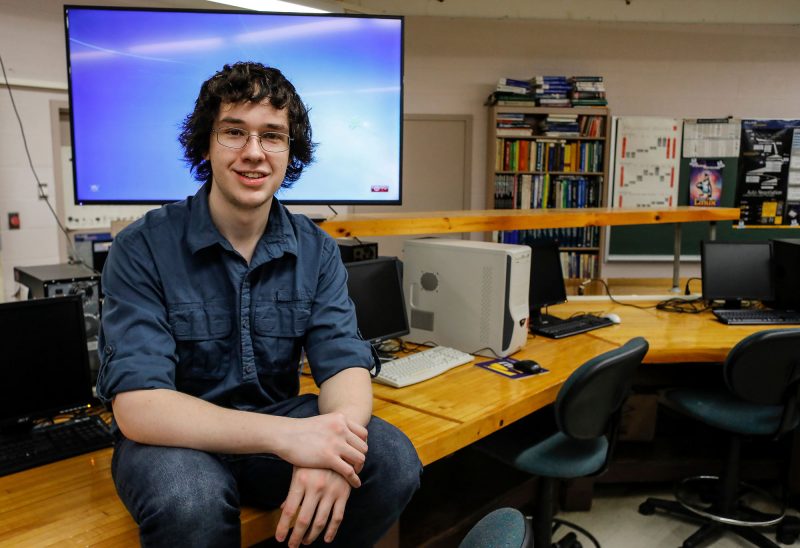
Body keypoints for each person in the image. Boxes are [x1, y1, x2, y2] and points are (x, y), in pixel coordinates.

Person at [96, 62, 421, 548]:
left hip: (278, 425)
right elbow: (140, 408)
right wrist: (292, 439)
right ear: (206, 144)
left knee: (392, 460)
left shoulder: (315, 249)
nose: (254, 153)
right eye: (234, 132)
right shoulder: (142, 247)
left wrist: (334, 450)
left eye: (272, 136)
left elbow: (344, 367)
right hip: (174, 442)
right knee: (191, 500)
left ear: (291, 151)